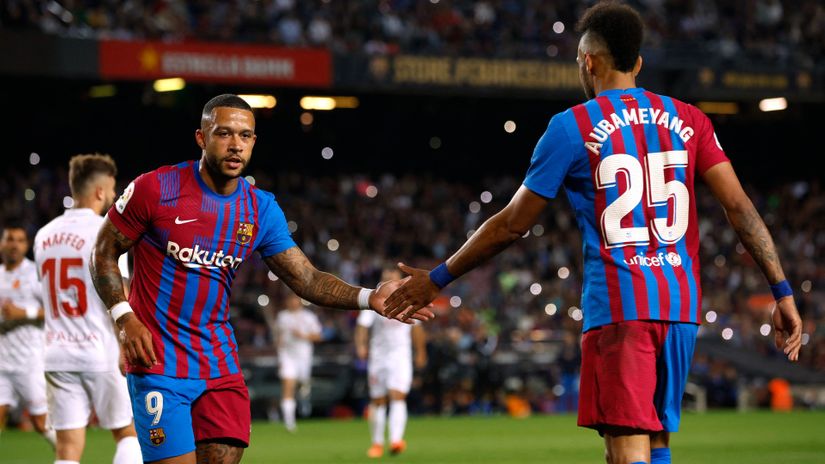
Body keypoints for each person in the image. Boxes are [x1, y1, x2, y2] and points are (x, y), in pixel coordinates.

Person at [384, 3, 803, 464]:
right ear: (637, 63)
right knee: (656, 442)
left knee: (625, 450)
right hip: (680, 308)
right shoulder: (689, 119)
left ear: (588, 60)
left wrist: (438, 278)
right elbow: (739, 208)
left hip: (621, 308)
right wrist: (781, 290)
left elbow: (510, 225)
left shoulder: (570, 127)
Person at [89, 93, 433, 464]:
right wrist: (124, 317)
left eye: (245, 135)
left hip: (218, 364)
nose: (236, 144)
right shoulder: (156, 189)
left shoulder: (259, 208)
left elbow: (307, 279)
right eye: (224, 133)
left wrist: (369, 296)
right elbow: (102, 252)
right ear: (201, 138)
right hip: (158, 362)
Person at [33, 154, 142, 464]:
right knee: (127, 434)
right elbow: (119, 295)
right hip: (101, 349)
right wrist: (125, 345)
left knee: (67, 450)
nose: (112, 196)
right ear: (99, 191)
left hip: (56, 353)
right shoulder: (106, 233)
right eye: (110, 190)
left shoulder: (44, 236)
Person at [355, 267, 427, 458]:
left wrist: (420, 351)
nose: (388, 280)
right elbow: (362, 326)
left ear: (399, 281)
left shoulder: (409, 301)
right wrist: (361, 345)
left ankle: (396, 440)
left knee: (398, 396)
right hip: (379, 357)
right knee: (378, 400)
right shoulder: (375, 300)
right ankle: (377, 443)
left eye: (392, 277)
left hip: (400, 357)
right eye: (385, 277)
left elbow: (417, 329)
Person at [0, 222, 55, 449]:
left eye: (19, 240)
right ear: (2, 243)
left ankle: (66, 455)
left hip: (29, 361)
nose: (14, 245)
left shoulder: (35, 274)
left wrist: (23, 313)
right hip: (2, 362)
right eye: (10, 239)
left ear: (27, 245)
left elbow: (54, 310)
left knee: (40, 422)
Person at [267, 292, 322, 432]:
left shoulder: (309, 317)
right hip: (287, 356)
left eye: (295, 300)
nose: (292, 302)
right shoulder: (282, 317)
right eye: (290, 300)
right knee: (288, 385)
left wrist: (303, 335)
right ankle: (289, 422)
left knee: (302, 384)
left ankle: (304, 400)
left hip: (304, 356)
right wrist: (279, 355)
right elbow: (279, 338)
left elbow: (318, 336)